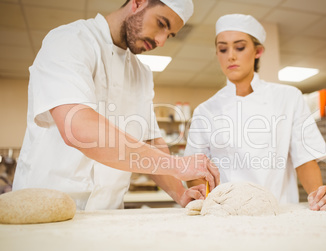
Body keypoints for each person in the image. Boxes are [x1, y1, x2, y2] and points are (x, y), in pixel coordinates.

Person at [12, 0, 220, 210]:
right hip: (44, 209)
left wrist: (181, 193)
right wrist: (178, 165)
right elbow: (78, 129)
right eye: (161, 23)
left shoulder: (142, 73)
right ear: (138, 3)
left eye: (170, 35)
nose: (161, 40)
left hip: (107, 215)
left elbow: (152, 142)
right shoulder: (69, 41)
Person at [184, 14, 326, 211]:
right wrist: (207, 202)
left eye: (239, 47)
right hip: (226, 214)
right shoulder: (205, 110)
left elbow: (305, 159)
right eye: (223, 49)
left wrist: (319, 198)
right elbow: (195, 171)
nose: (230, 55)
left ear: (258, 51)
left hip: (279, 211)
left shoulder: (289, 98)